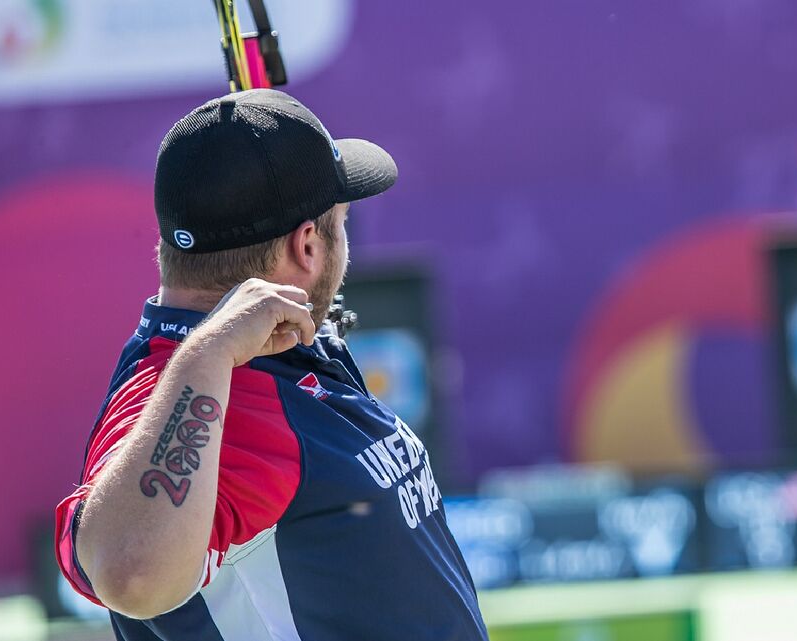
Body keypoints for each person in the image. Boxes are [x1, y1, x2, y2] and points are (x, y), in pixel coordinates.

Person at [54, 89, 489, 641]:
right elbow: (129, 575)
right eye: (340, 225)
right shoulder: (204, 382)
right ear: (307, 246)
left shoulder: (259, 352)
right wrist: (209, 353)